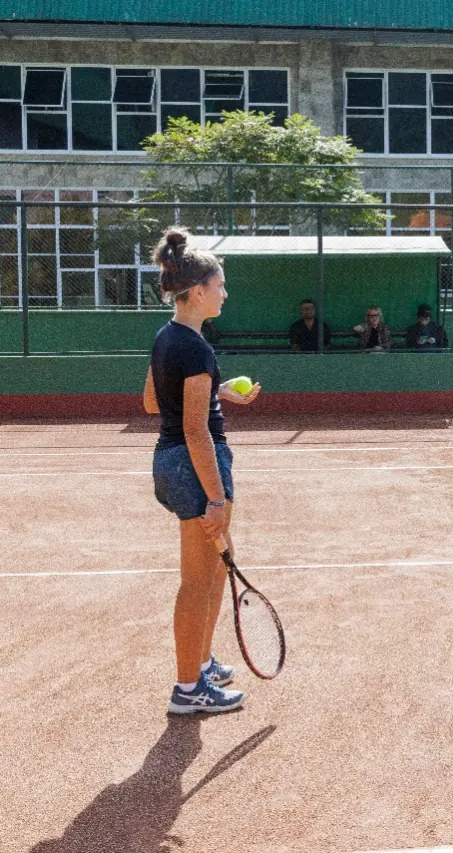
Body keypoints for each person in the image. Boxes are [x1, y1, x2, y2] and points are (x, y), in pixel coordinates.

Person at [142, 226, 261, 716]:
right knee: (197, 581)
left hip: (170, 462)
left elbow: (153, 402)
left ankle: (202, 662)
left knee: (214, 571)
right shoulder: (196, 348)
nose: (224, 293)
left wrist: (217, 392)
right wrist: (215, 497)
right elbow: (195, 430)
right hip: (194, 466)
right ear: (196, 292)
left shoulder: (168, 338)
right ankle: (188, 688)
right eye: (219, 286)